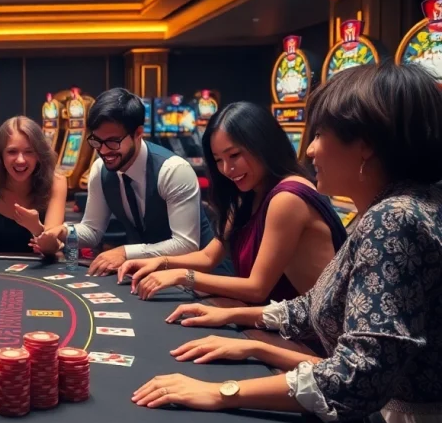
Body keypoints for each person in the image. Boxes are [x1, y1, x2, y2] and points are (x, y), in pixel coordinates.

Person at [132, 63, 442, 423]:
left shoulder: (393, 219)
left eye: (320, 134)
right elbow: (315, 304)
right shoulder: (402, 205)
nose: (310, 149)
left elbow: (359, 377)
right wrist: (247, 336)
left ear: (366, 145)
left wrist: (222, 392)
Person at [117, 101, 346, 303]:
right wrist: (159, 262)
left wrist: (182, 276)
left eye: (234, 155)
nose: (227, 169)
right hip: (273, 319)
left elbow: (257, 289)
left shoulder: (287, 197)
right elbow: (208, 257)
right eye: (219, 160)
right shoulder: (248, 194)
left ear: (263, 145)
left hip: (312, 332)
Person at [33, 87, 215, 275]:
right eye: (96, 141)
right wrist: (63, 232)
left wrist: (125, 252)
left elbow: (186, 245)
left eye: (113, 141)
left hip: (198, 277)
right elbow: (92, 230)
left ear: (138, 133)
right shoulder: (100, 169)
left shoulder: (174, 171)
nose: (103, 151)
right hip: (148, 275)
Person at [0, 116, 67, 254]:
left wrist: (37, 229)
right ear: (0, 155)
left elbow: (51, 249)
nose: (21, 160)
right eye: (12, 152)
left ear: (39, 155)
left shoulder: (56, 183)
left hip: (36, 268)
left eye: (29, 152)